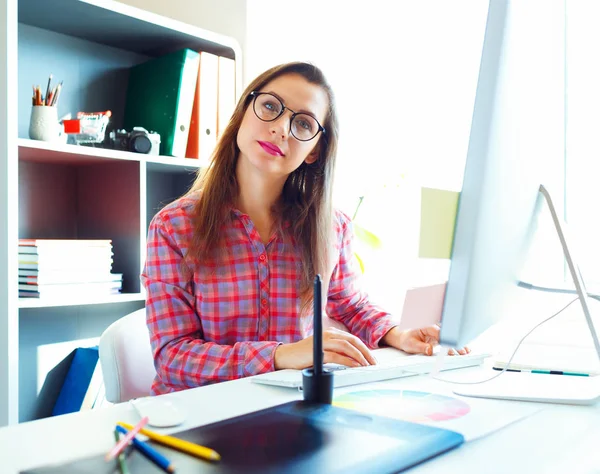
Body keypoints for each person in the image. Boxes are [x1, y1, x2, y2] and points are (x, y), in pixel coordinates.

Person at [142, 61, 469, 395]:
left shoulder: (332, 227)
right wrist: (281, 355)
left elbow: (350, 304)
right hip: (198, 416)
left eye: (302, 123)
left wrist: (398, 333)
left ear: (314, 152)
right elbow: (172, 356)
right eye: (270, 106)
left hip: (289, 406)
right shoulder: (175, 226)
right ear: (243, 112)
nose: (282, 129)